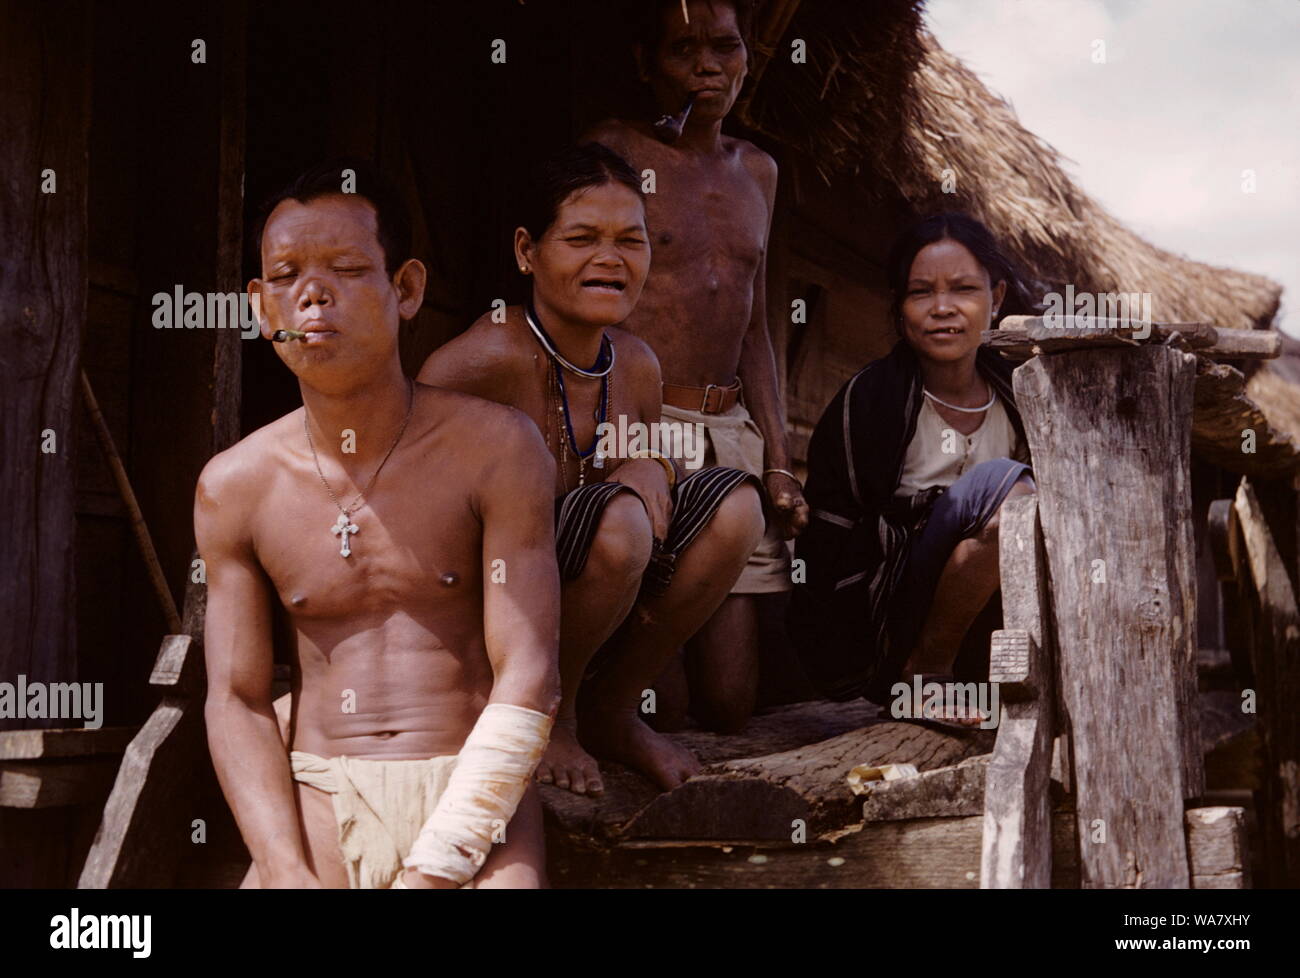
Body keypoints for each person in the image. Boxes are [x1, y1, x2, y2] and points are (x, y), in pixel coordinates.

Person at [198, 160, 560, 889]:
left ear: (407, 290)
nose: (312, 293)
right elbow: (235, 697)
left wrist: (437, 864)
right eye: (286, 274)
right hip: (321, 798)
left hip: (475, 792)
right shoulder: (235, 485)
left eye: (346, 268)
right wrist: (281, 867)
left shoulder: (496, 447)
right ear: (261, 308)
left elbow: (530, 671)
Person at [419, 143, 764, 794]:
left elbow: (644, 460)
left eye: (631, 241)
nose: (610, 259)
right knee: (619, 521)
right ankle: (547, 717)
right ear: (527, 252)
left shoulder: (633, 363)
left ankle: (609, 711)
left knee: (735, 508)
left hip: (582, 604)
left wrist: (651, 460)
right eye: (582, 238)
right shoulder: (482, 359)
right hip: (483, 616)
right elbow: (412, 521)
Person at [581, 0, 808, 734]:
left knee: (730, 699)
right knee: (664, 703)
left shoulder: (760, 173)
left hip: (729, 427)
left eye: (724, 48)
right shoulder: (614, 153)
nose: (708, 68)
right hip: (643, 423)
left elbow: (755, 328)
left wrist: (777, 457)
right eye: (684, 51)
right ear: (647, 65)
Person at [788, 213, 1037, 725]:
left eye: (964, 289)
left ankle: (1010, 681)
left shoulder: (1021, 394)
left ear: (998, 297)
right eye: (921, 292)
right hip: (882, 618)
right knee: (1007, 491)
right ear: (899, 308)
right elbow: (830, 534)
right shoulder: (873, 398)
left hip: (993, 617)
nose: (942, 308)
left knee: (1033, 507)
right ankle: (923, 677)